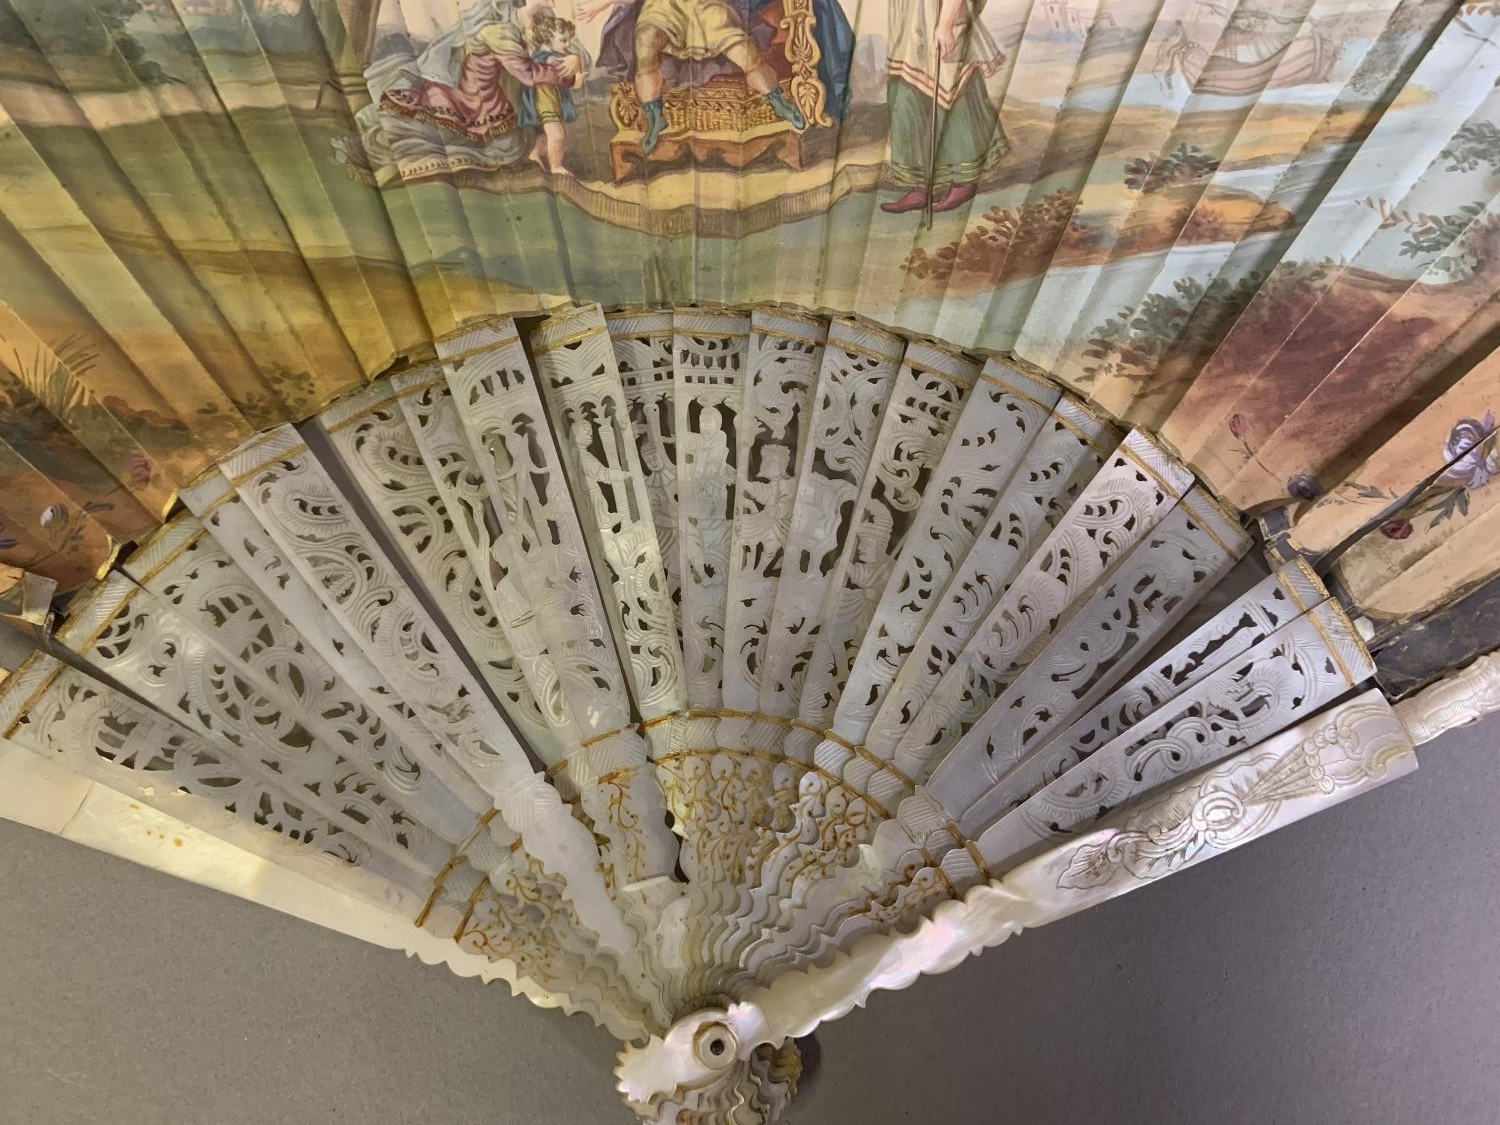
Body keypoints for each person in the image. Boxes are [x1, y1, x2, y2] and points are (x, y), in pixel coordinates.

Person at [577, 0, 818, 154]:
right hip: (662, 8)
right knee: (645, 40)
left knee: (739, 45)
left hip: (707, 5)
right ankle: (654, 118)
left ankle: (777, 101)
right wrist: (600, 5)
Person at [883, 0, 1007, 216]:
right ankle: (919, 185)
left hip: (936, 16)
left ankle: (963, 181)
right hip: (910, 22)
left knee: (953, 93)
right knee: (907, 95)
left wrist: (945, 24)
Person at [381, 13, 581, 144]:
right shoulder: (498, 31)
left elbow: (543, 54)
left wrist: (575, 59)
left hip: (488, 97)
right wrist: (570, 80)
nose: (554, 4)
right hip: (474, 99)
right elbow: (528, 74)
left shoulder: (511, 27)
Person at [521, 13, 584, 174]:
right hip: (545, 102)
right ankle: (556, 166)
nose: (567, 44)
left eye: (568, 39)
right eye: (563, 40)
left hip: (549, 100)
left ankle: (535, 156)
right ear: (548, 38)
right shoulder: (547, 58)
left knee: (545, 136)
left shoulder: (548, 55)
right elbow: (560, 75)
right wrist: (576, 80)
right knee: (557, 134)